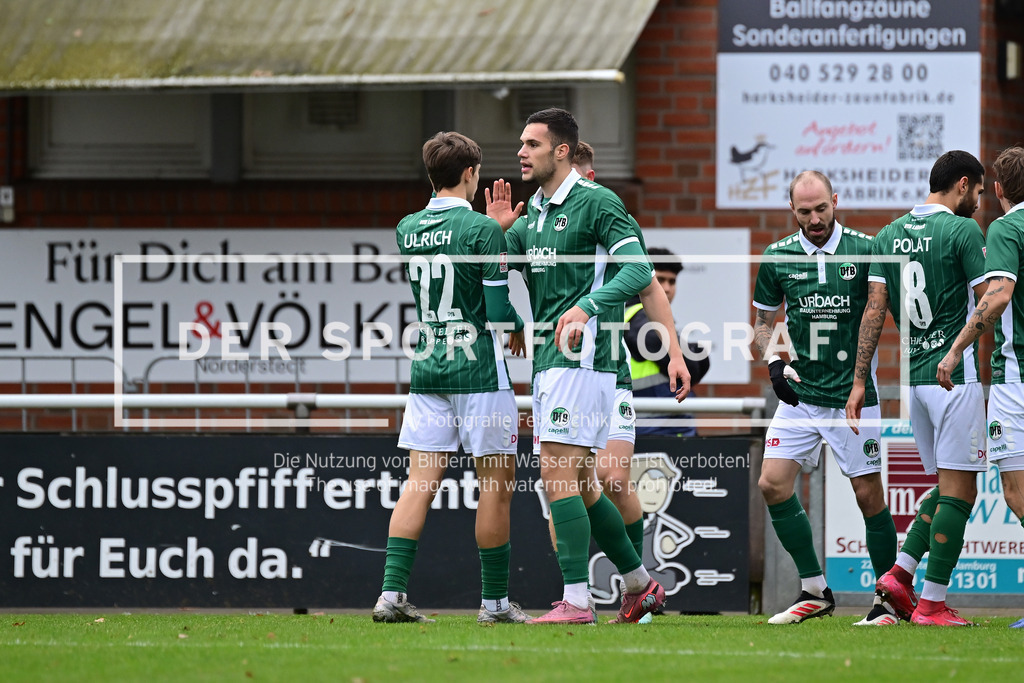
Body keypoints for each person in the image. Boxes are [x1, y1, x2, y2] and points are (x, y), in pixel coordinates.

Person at [487, 108, 667, 624]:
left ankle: (578, 601)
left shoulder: (597, 202)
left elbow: (638, 269)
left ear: (561, 151)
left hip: (584, 360)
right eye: (521, 143)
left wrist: (587, 307)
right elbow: (505, 270)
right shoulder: (535, 213)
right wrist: (501, 235)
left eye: (532, 144)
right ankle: (639, 585)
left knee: (558, 477)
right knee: (584, 485)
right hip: (548, 362)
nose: (521, 152)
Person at [372, 131, 529, 625]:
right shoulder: (483, 230)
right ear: (469, 174)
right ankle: (495, 605)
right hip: (480, 371)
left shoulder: (406, 228)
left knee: (418, 483)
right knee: (495, 488)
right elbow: (500, 312)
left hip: (428, 368)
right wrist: (522, 326)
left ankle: (391, 596)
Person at [846, 150, 988, 627]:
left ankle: (898, 575)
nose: (981, 203)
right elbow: (990, 299)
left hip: (916, 383)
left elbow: (873, 312)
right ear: (963, 185)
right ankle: (931, 603)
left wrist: (860, 378)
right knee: (960, 494)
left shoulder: (886, 235)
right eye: (980, 192)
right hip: (955, 376)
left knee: (945, 489)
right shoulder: (963, 230)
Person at [752, 170, 898, 625]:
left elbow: (878, 314)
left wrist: (857, 381)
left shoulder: (864, 247)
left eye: (821, 209)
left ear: (835, 201)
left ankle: (888, 598)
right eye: (804, 211)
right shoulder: (777, 256)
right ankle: (815, 591)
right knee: (772, 484)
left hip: (854, 396)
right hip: (801, 397)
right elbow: (760, 323)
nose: (815, 219)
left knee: (867, 495)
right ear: (790, 210)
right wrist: (775, 364)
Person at [933, 146, 1024, 629]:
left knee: (1016, 493)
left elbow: (998, 294)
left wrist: (955, 348)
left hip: (1016, 381)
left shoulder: (1007, 228)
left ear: (1002, 190)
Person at [625, 246, 710, 437]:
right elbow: (693, 367)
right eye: (660, 280)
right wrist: (697, 352)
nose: (666, 288)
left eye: (672, 281)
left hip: (653, 425)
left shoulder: (631, 315)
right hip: (659, 429)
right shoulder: (640, 318)